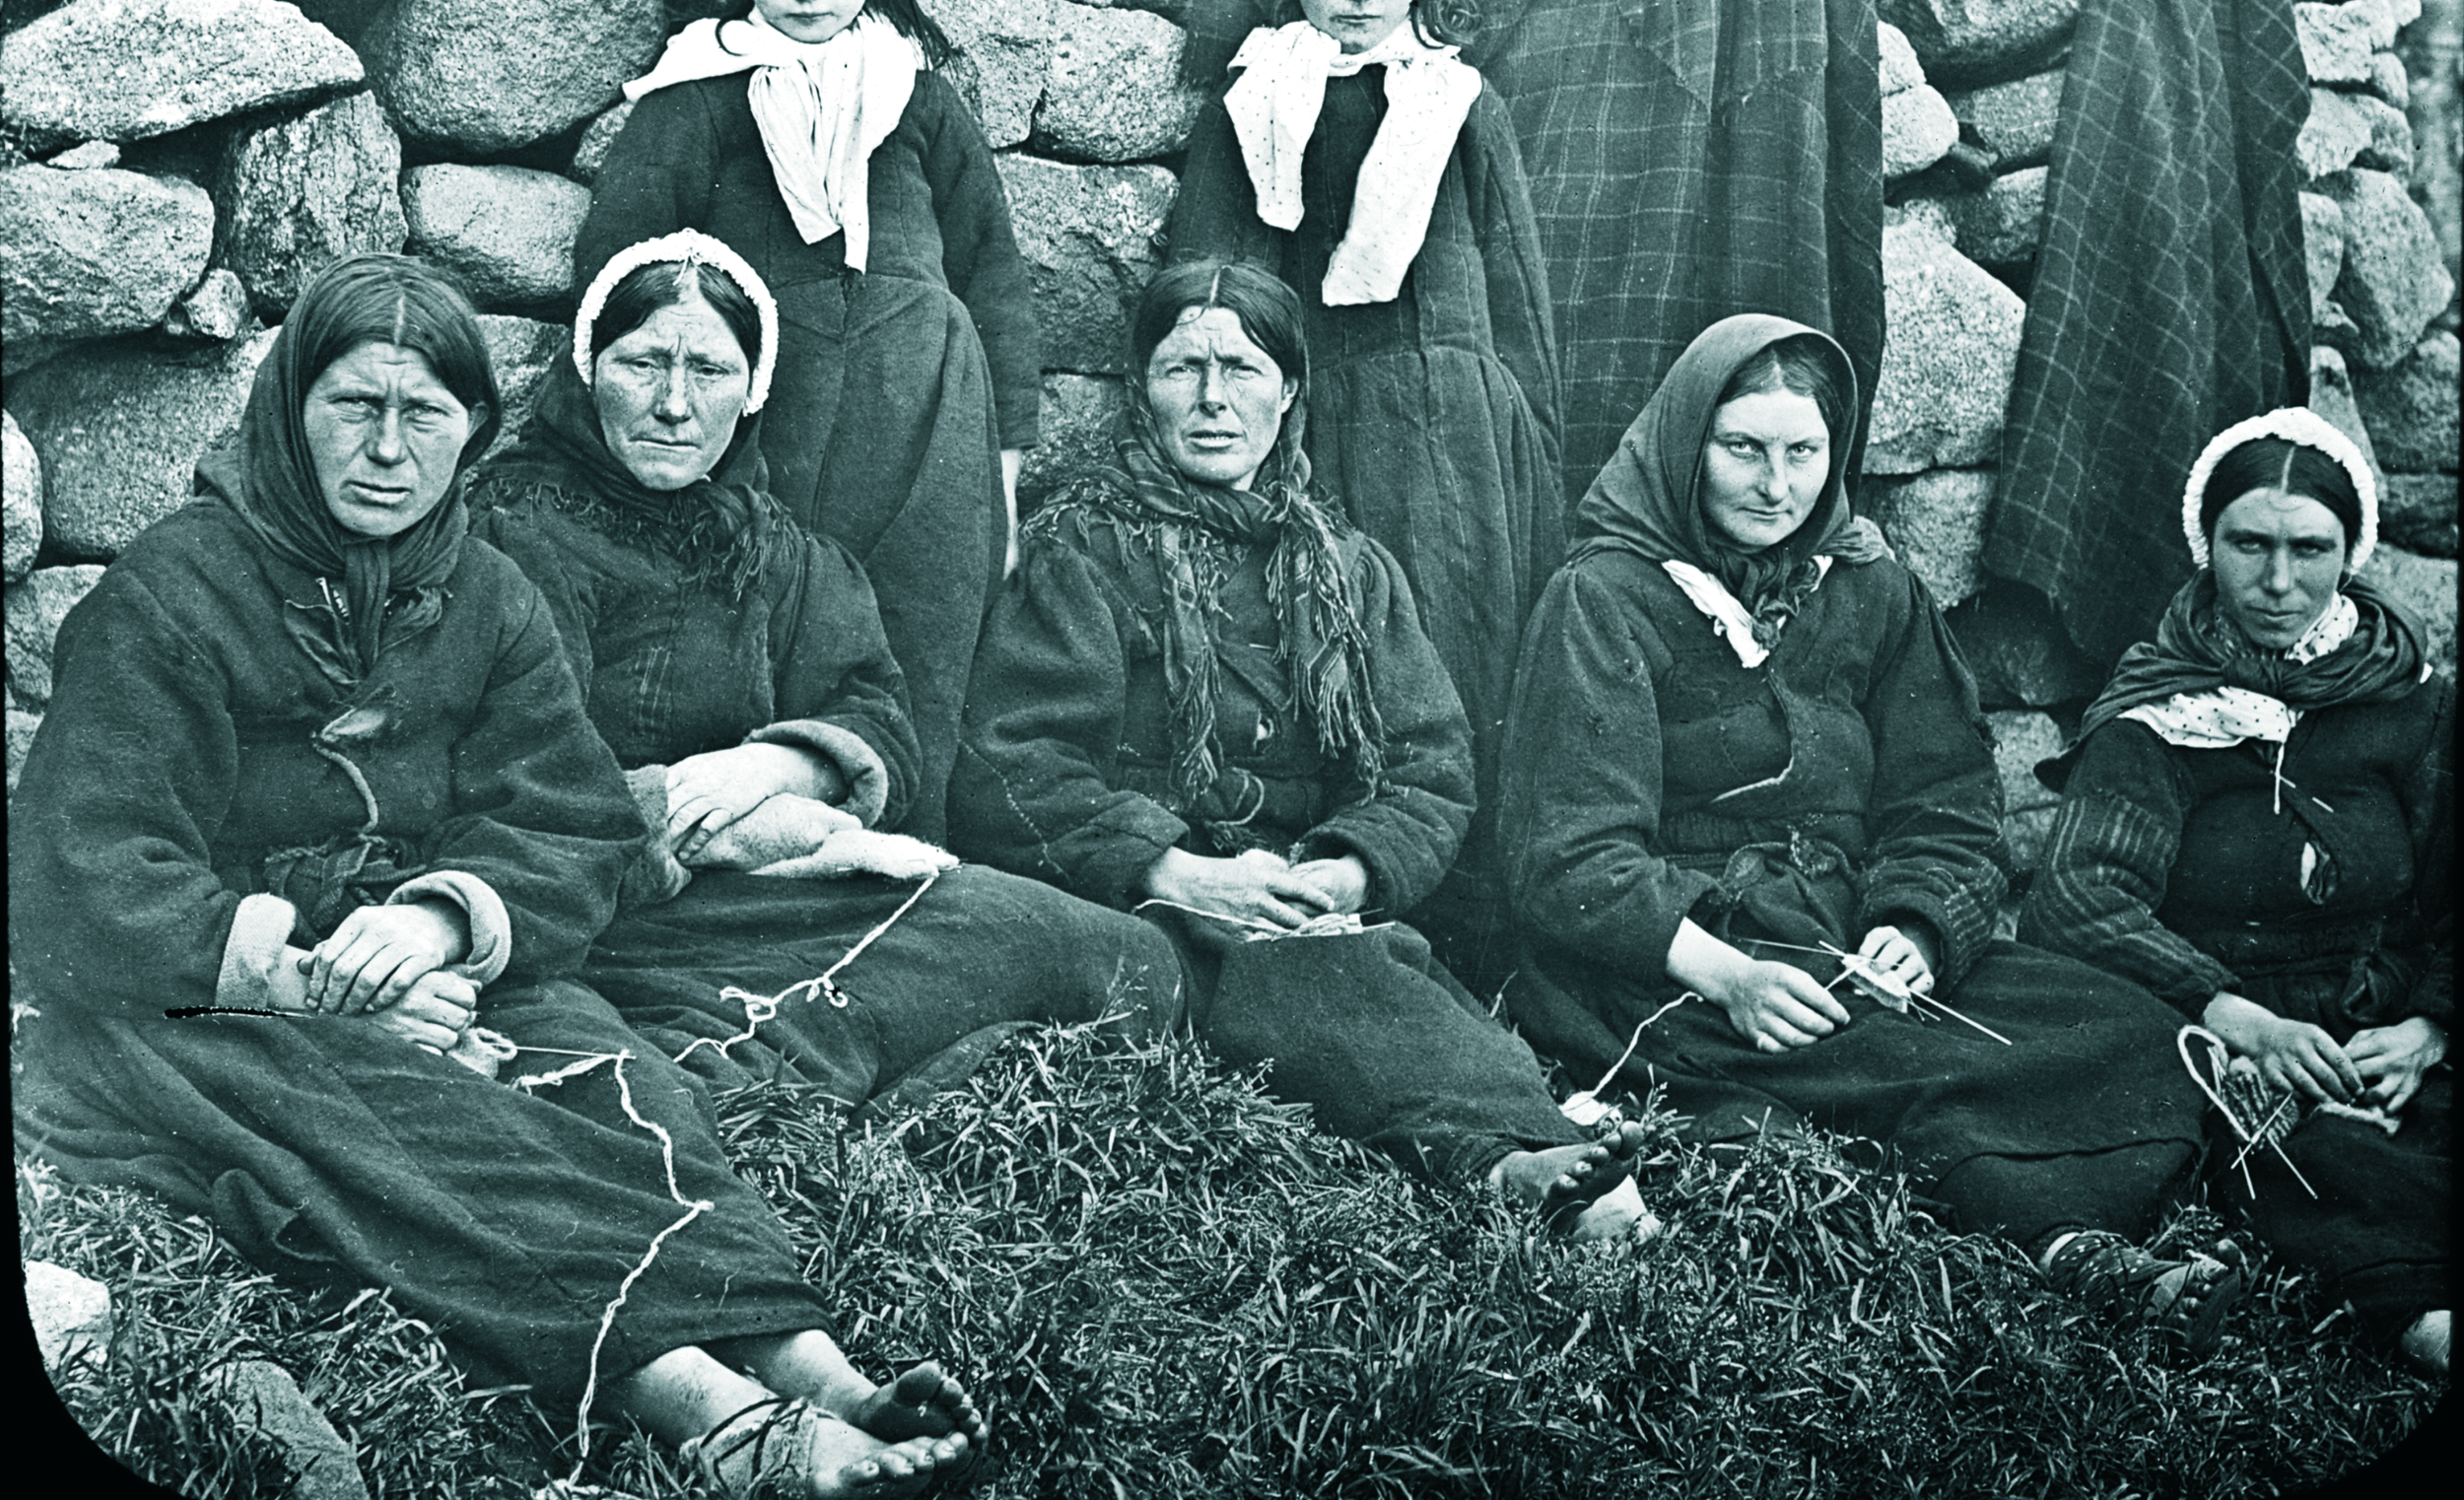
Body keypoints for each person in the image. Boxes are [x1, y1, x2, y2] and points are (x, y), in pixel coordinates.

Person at [9, 254, 979, 1497]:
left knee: (620, 1086)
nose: (387, 449)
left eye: (426, 415)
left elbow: (571, 821)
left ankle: (821, 1369)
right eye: (356, 405)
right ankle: (722, 1417)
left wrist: (439, 915)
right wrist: (309, 977)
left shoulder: (482, 590)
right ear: (290, 407)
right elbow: (86, 870)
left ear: (470, 427)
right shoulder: (173, 592)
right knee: (438, 1145)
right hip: (202, 996)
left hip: (438, 963)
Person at [1499, 313, 2245, 1350]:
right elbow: (1570, 855)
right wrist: (1732, 976)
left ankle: (2085, 1228)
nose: (1776, 484)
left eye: (1803, 451)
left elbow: (1944, 801)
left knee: (2118, 1024)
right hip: (1671, 960)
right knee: (1893, 1068)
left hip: (1851, 933)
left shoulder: (1870, 592)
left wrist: (1920, 926)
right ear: (1684, 446)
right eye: (1742, 448)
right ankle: (2074, 1247)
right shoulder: (1606, 598)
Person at [951, 260, 1648, 1238]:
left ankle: (1516, 1156)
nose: (1210, 399)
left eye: (1240, 369)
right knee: (1307, 978)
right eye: (1179, 367)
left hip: (1297, 900)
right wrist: (1179, 868)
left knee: (1364, 960)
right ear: (1139, 390)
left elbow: (1429, 766)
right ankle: (1515, 1154)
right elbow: (1012, 770)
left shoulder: (1346, 569)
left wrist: (1345, 867)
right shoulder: (1080, 554)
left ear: (1287, 392)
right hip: (1141, 900)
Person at [468, 231, 1186, 1097]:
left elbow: (876, 711)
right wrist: (740, 824)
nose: (673, 404)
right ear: (588, 370)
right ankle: (834, 1059)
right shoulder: (516, 531)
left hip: (779, 896)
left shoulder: (774, 551)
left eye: (710, 371)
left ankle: (858, 1051)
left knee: (1129, 956)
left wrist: (774, 764)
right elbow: (527, 790)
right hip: (614, 912)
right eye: (643, 363)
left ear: (753, 390)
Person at [578, 0, 1037, 841]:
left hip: (928, 427)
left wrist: (1002, 474)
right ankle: (764, 863)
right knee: (771, 632)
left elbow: (995, 274)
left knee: (923, 648)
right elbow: (617, 277)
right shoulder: (694, 97)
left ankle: (910, 873)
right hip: (766, 433)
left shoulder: (919, 96)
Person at [1167, 0, 1564, 997]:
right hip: (1305, 427)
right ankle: (1332, 928)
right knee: (1322, 661)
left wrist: (1526, 444)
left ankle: (1476, 945)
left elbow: (1519, 291)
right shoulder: (1256, 100)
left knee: (1452, 663)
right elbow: (1205, 283)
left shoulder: (1456, 101)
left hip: (1446, 434)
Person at [2021, 408, 2450, 1375]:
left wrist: (2429, 1027)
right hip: (2217, 1022)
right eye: (2247, 543)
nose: (2277, 580)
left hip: (2379, 1011)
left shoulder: (2413, 702)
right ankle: (2419, 1312)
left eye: (2310, 548)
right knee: (2298, 1161)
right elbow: (2079, 898)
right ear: (2203, 542)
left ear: (2353, 550)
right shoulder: (2164, 704)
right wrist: (2243, 1021)